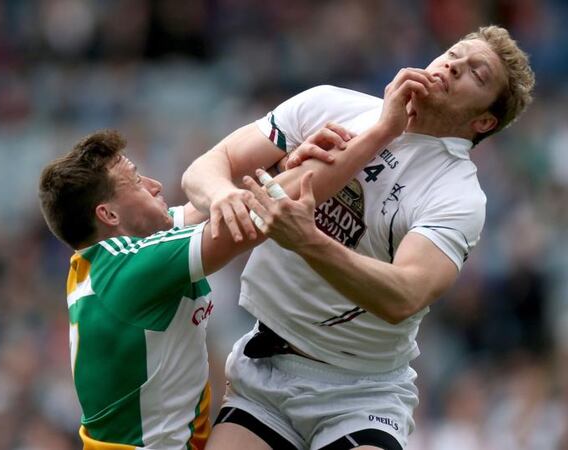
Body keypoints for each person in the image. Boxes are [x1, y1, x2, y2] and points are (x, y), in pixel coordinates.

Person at [181, 25, 535, 450]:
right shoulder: (332, 104)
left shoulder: (458, 194)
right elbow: (208, 167)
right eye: (454, 54)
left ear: (483, 120)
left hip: (360, 392)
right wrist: (224, 197)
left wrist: (307, 239)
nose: (454, 66)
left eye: (476, 73)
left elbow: (403, 295)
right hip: (265, 372)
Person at [37, 91, 415, 449]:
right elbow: (261, 215)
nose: (153, 185)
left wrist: (287, 160)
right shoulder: (133, 267)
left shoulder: (115, 259)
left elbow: (230, 201)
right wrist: (381, 131)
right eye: (136, 180)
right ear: (108, 214)